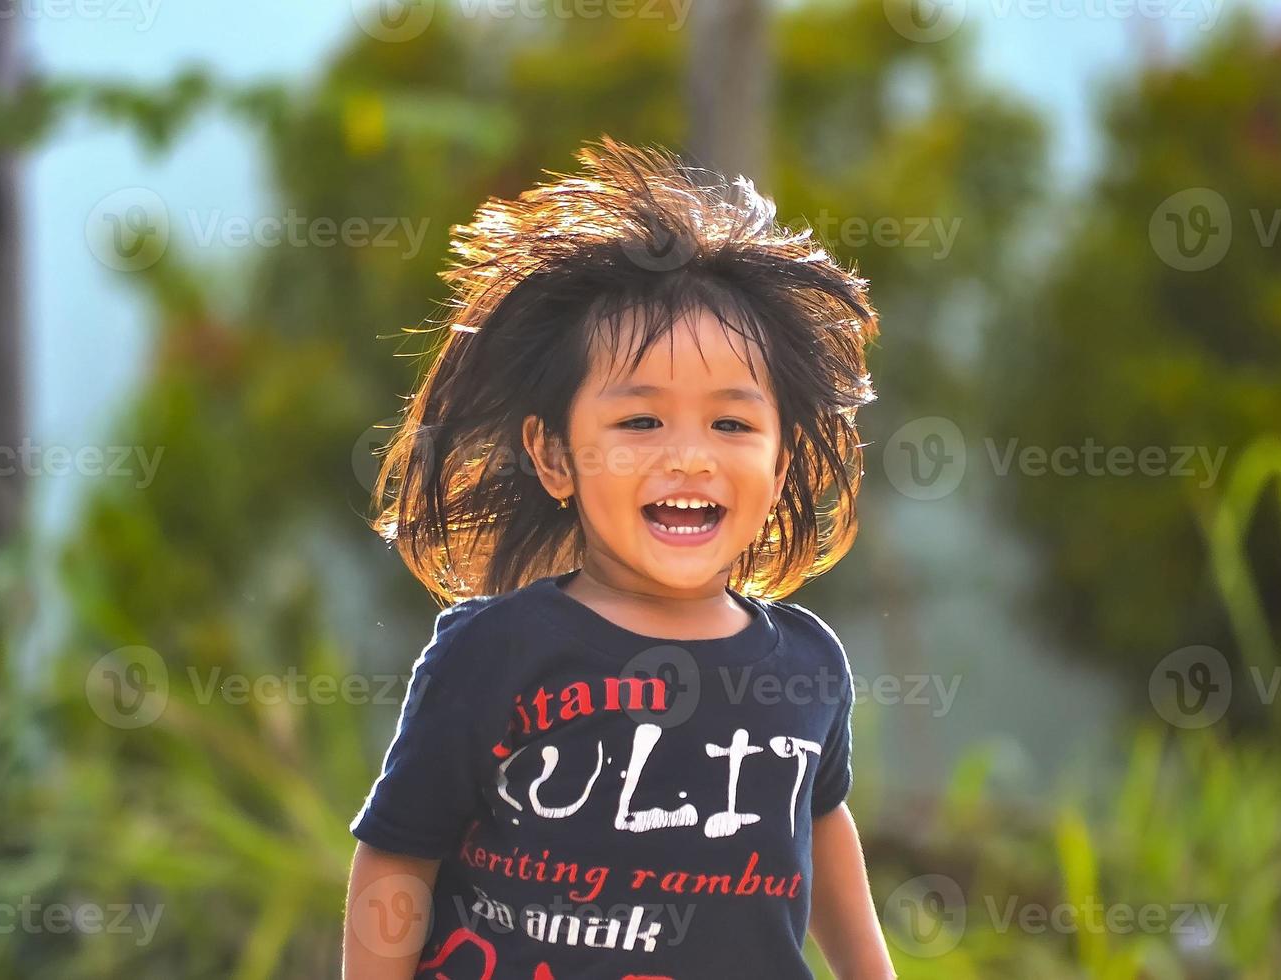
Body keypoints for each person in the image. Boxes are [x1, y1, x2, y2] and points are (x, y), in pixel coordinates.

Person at [342, 135, 894, 979]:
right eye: (640, 421)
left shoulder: (808, 664)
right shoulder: (495, 653)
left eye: (732, 423)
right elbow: (399, 856)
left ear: (780, 464)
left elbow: (822, 827)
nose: (689, 456)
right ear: (556, 457)